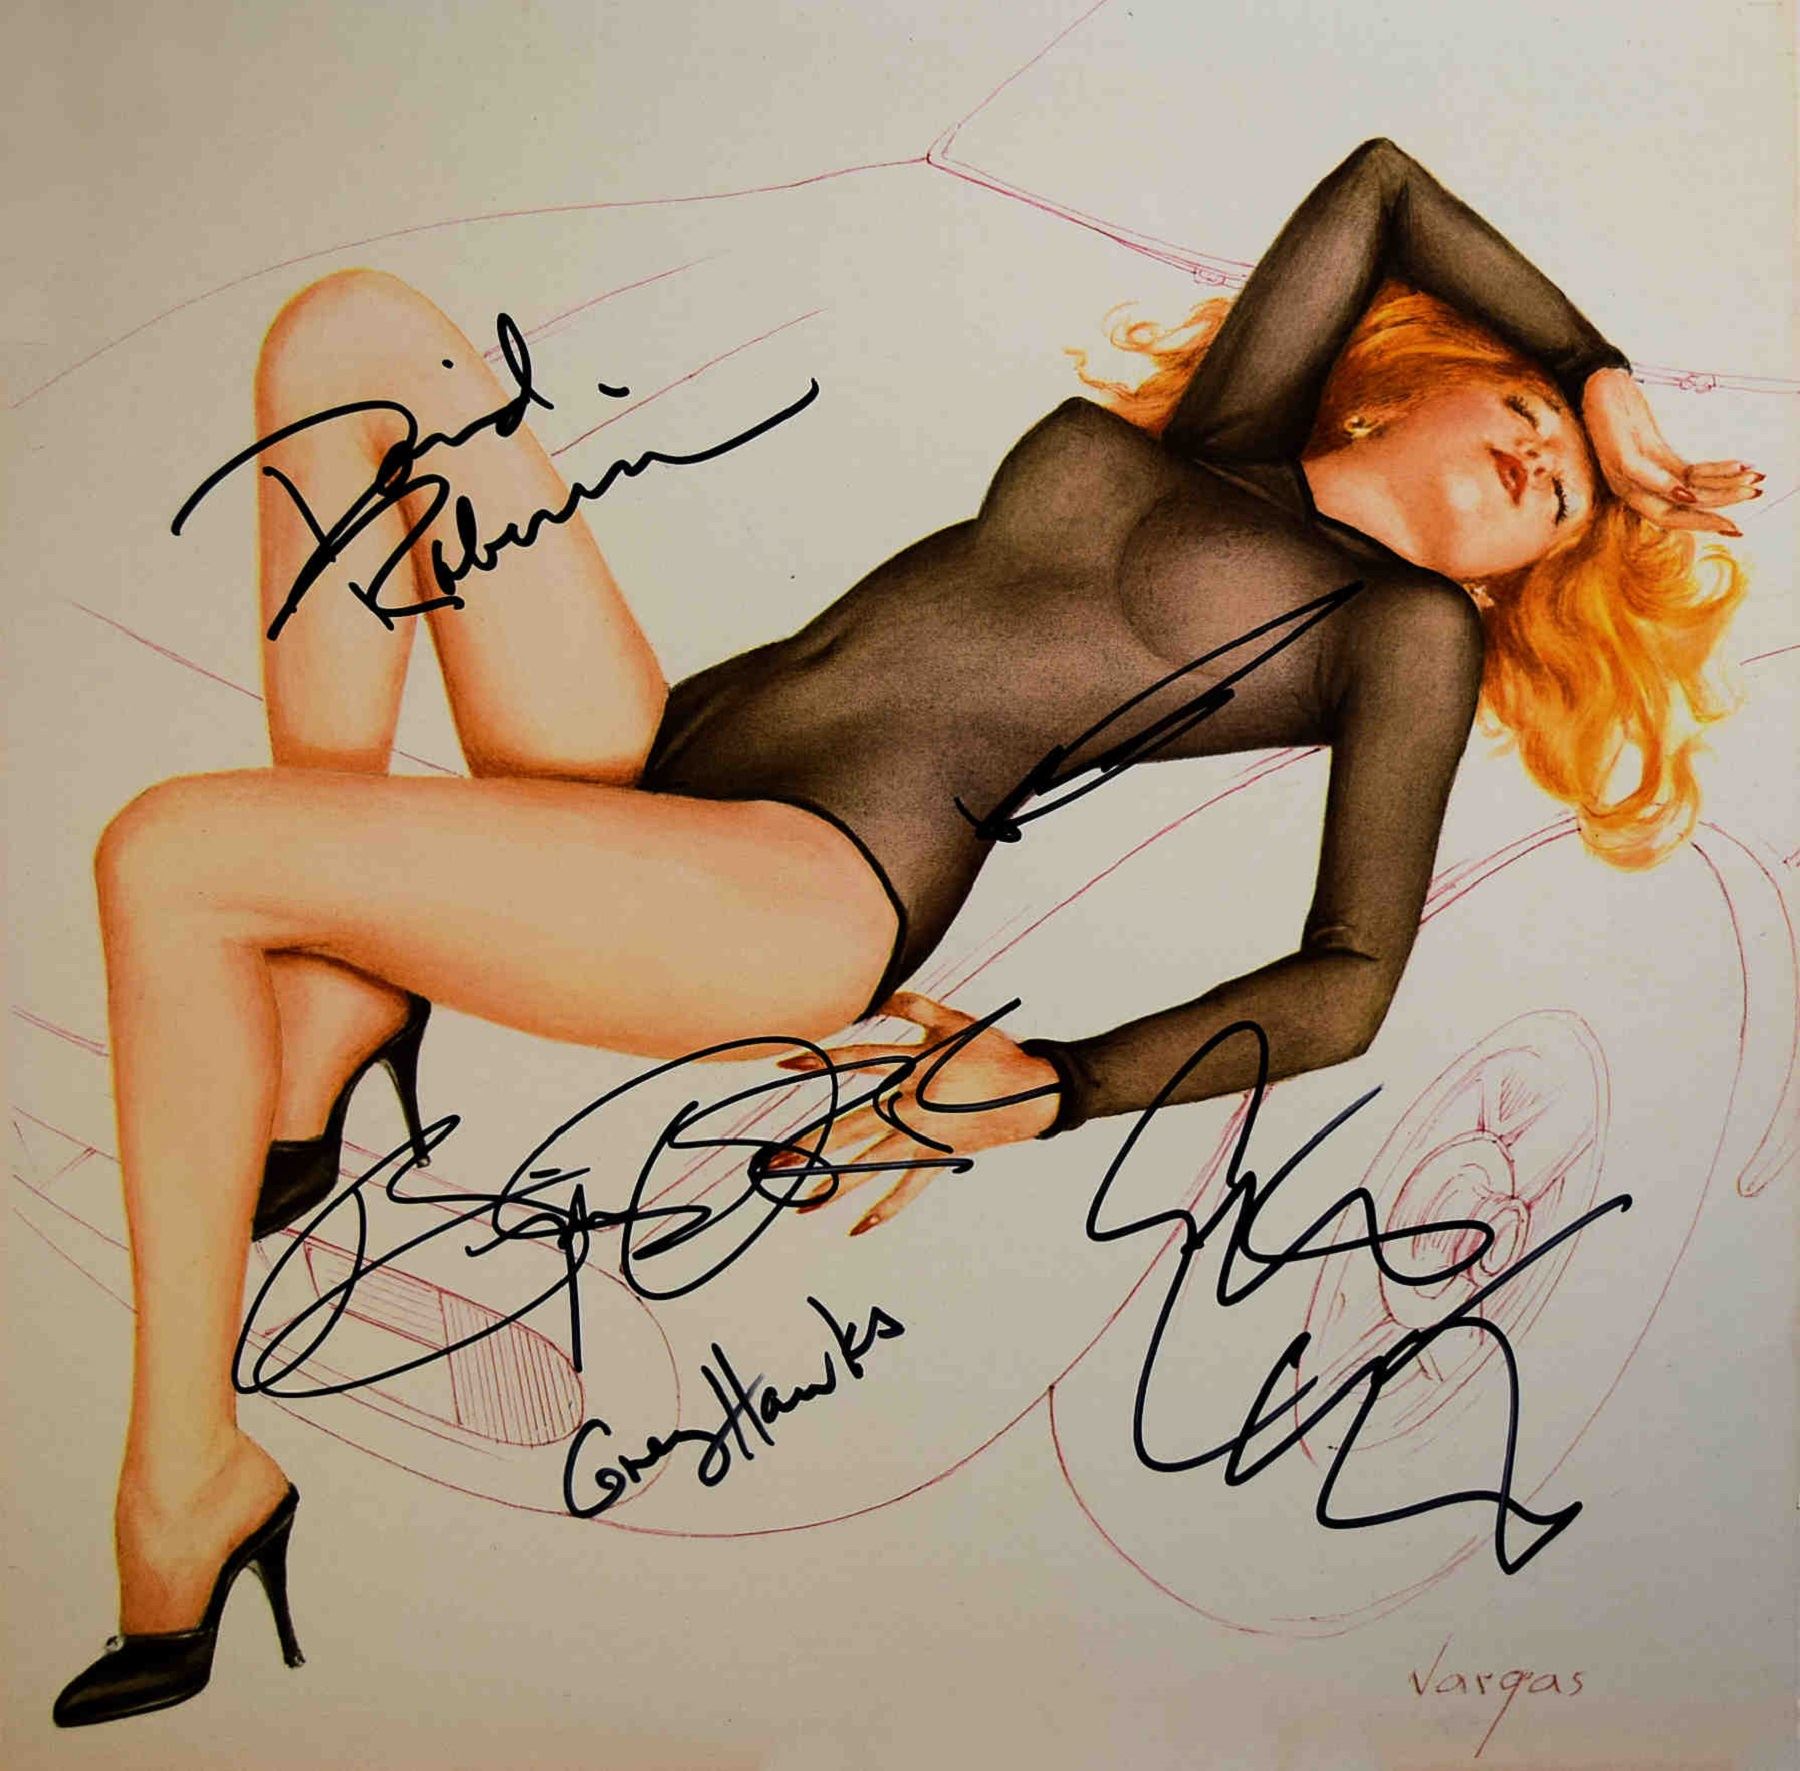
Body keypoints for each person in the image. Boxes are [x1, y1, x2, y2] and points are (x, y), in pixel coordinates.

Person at [54, 138, 1754, 1725]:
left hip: (800, 884)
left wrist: (1066, 1083)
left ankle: (191, 1474)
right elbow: (1380, 186)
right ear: (1409, 383)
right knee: (351, 342)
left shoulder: (1403, 631)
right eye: (1520, 408)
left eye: (1560, 494)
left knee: (174, 853)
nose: (1543, 457)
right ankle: (333, 991)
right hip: (659, 750)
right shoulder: (1222, 444)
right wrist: (1602, 377)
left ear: (1508, 581)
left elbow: (1354, 981)